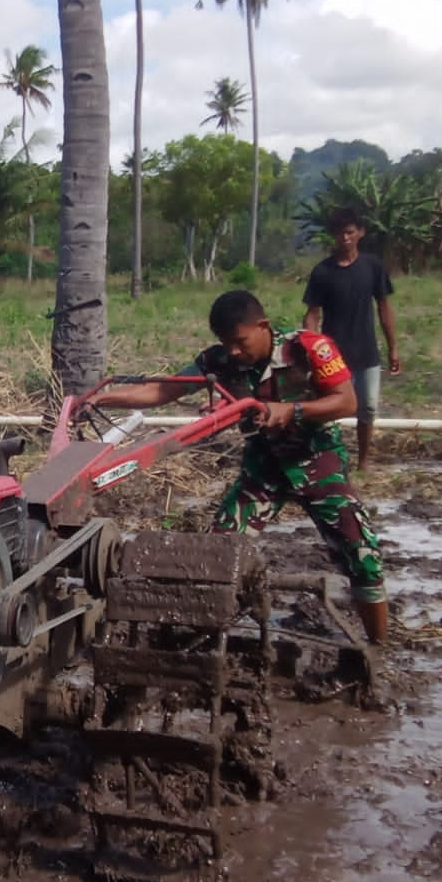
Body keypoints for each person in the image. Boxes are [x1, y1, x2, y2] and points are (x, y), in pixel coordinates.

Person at [89, 289, 389, 645]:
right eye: (225, 342)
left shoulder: (309, 348)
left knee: (361, 553)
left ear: (262, 326)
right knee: (219, 553)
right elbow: (162, 391)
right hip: (263, 469)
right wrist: (102, 397)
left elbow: (346, 401)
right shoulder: (218, 361)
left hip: (317, 461)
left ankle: (377, 648)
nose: (233, 351)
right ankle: (204, 640)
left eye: (240, 341)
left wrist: (290, 411)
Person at [302, 206, 399, 472]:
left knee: (367, 408)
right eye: (339, 233)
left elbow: (384, 308)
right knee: (331, 410)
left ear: (360, 233)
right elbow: (312, 314)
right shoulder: (323, 272)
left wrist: (393, 348)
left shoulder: (372, 267)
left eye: (349, 232)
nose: (344, 238)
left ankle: (364, 461)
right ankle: (330, 460)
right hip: (333, 357)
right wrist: (311, 347)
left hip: (367, 353)